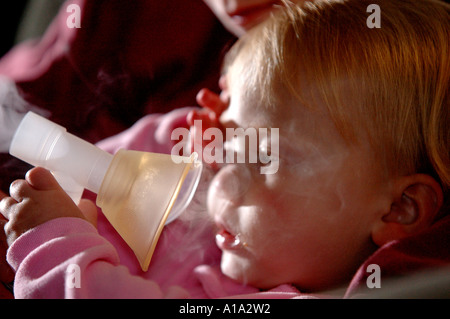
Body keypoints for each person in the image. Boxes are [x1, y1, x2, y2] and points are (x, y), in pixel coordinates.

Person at [1, 0, 450, 298]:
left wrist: (56, 245)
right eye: (230, 142)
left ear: (400, 210)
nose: (223, 182)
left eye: (268, 157)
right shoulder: (220, 190)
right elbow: (109, 171)